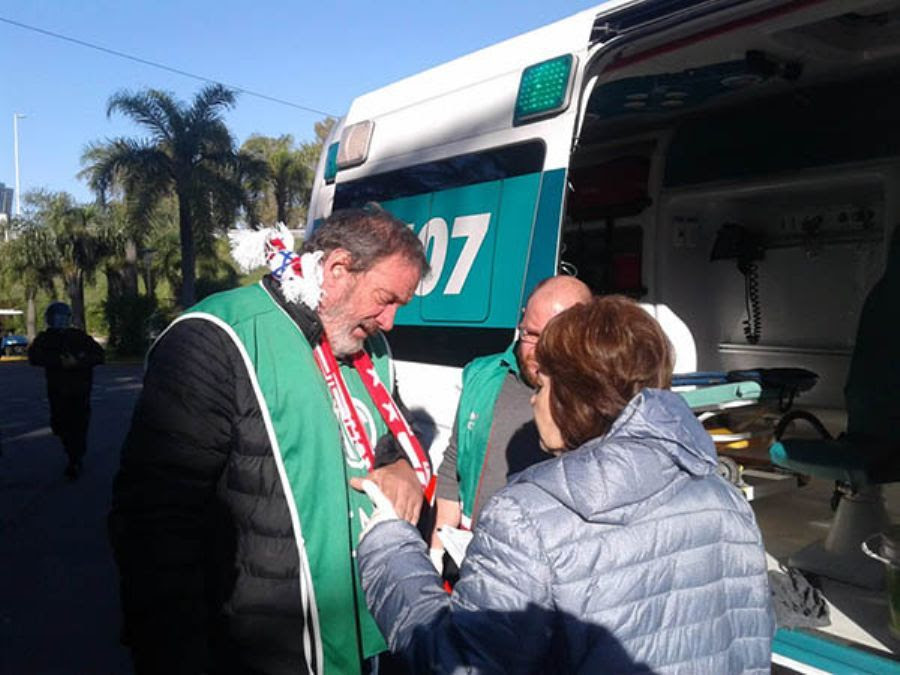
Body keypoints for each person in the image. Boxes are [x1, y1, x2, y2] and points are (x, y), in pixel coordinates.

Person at [358, 295, 774, 673]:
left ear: (574, 397)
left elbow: (463, 664)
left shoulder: (526, 518)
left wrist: (388, 543)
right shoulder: (723, 497)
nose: (534, 401)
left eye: (542, 386)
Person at [109, 207, 431, 675]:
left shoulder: (369, 347)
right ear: (338, 268)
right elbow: (155, 525)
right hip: (264, 649)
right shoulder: (217, 337)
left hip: (366, 635)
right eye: (386, 299)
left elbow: (390, 430)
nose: (390, 322)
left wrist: (399, 462)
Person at [430, 276, 591, 566]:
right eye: (530, 333)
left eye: (555, 337)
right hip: (477, 558)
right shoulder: (482, 374)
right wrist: (437, 551)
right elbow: (454, 463)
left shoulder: (595, 395)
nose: (539, 350)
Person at [28, 301, 105, 479]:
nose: (60, 321)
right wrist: (57, 361)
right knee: (60, 424)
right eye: (56, 318)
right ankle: (71, 451)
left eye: (63, 317)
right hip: (57, 390)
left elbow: (99, 355)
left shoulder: (79, 337)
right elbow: (34, 357)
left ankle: (75, 459)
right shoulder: (45, 339)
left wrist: (78, 361)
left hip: (80, 390)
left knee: (78, 425)